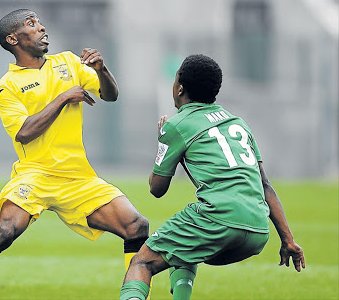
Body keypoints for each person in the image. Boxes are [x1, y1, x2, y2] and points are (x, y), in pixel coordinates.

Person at [0, 9, 150, 300]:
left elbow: (110, 95)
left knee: (136, 225)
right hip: (35, 174)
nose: (41, 27)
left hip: (77, 177)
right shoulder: (7, 86)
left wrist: (101, 69)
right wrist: (64, 97)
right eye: (31, 24)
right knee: (7, 229)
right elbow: (24, 132)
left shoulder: (68, 62)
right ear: (13, 39)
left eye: (39, 22)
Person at [120, 54, 306, 300]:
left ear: (179, 88)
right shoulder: (237, 123)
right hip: (258, 230)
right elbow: (264, 184)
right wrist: (288, 239)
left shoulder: (176, 125)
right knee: (183, 248)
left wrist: (163, 143)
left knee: (141, 263)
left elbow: (157, 188)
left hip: (218, 220)